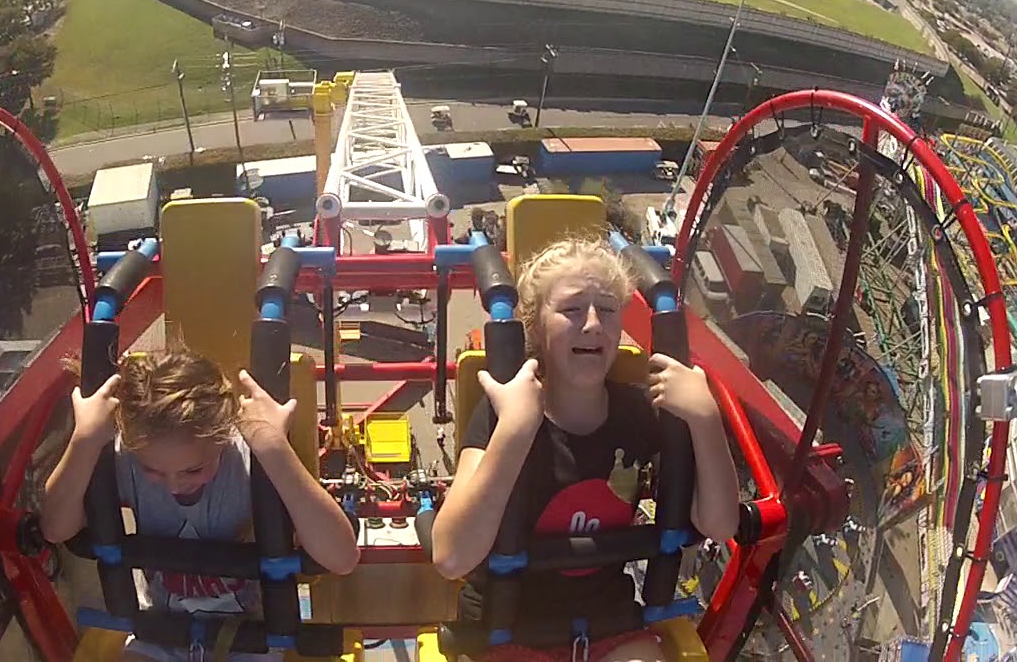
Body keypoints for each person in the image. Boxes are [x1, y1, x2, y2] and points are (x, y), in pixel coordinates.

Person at [431, 236, 740, 662]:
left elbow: (720, 525)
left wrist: (706, 419)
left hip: (607, 627)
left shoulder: (639, 413)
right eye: (572, 310)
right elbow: (451, 556)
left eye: (608, 310)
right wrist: (516, 431)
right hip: (508, 630)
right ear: (535, 326)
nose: (593, 323)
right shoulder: (504, 412)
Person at [40, 347, 360, 661]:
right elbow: (56, 529)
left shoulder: (253, 464)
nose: (174, 484)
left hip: (249, 636)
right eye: (154, 470)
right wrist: (84, 440)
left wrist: (273, 446)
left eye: (193, 470)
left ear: (223, 436)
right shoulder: (129, 457)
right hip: (159, 632)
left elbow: (342, 558)